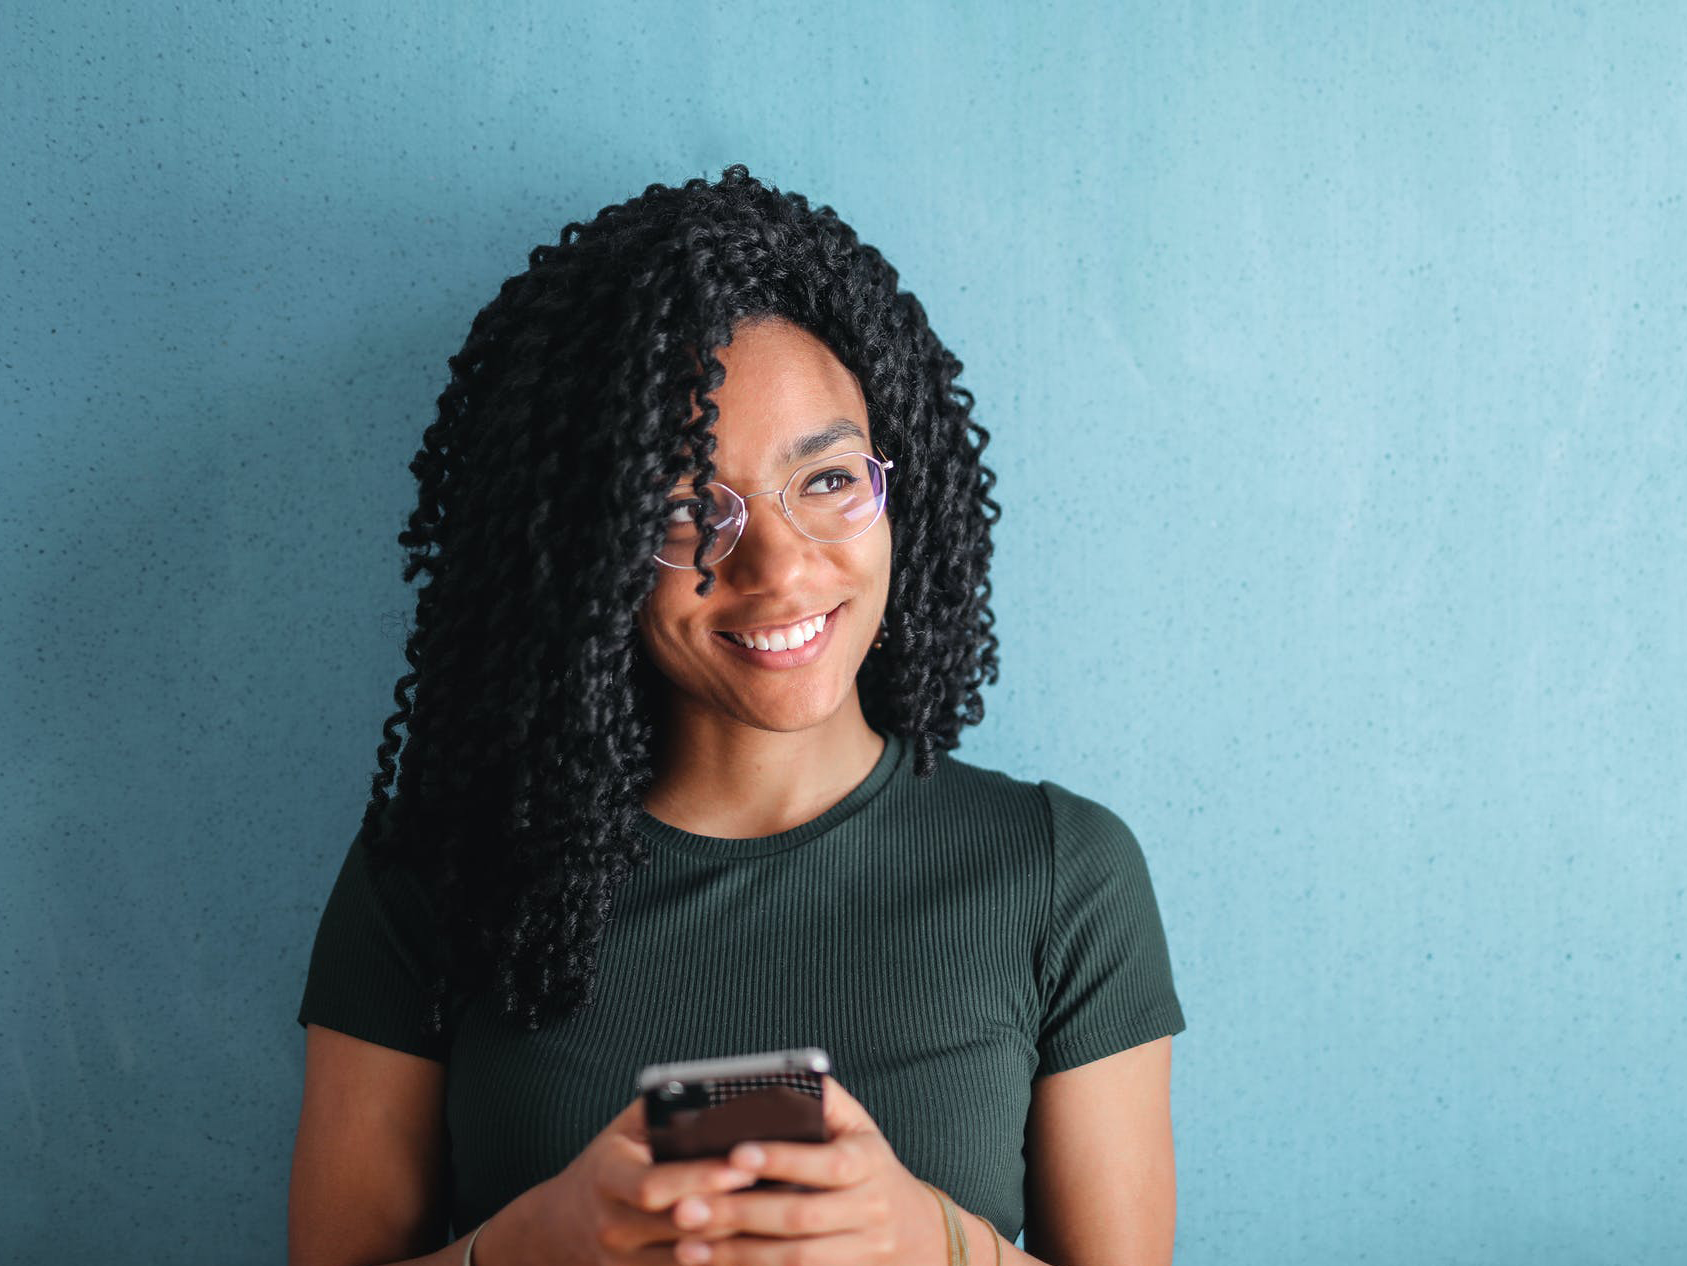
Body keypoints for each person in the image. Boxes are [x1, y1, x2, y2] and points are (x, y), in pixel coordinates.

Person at [288, 165, 1186, 1266]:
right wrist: (537, 1243)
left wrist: (929, 1240)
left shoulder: (1059, 873)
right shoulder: (431, 875)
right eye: (679, 510)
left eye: (825, 480)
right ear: (588, 547)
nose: (778, 567)